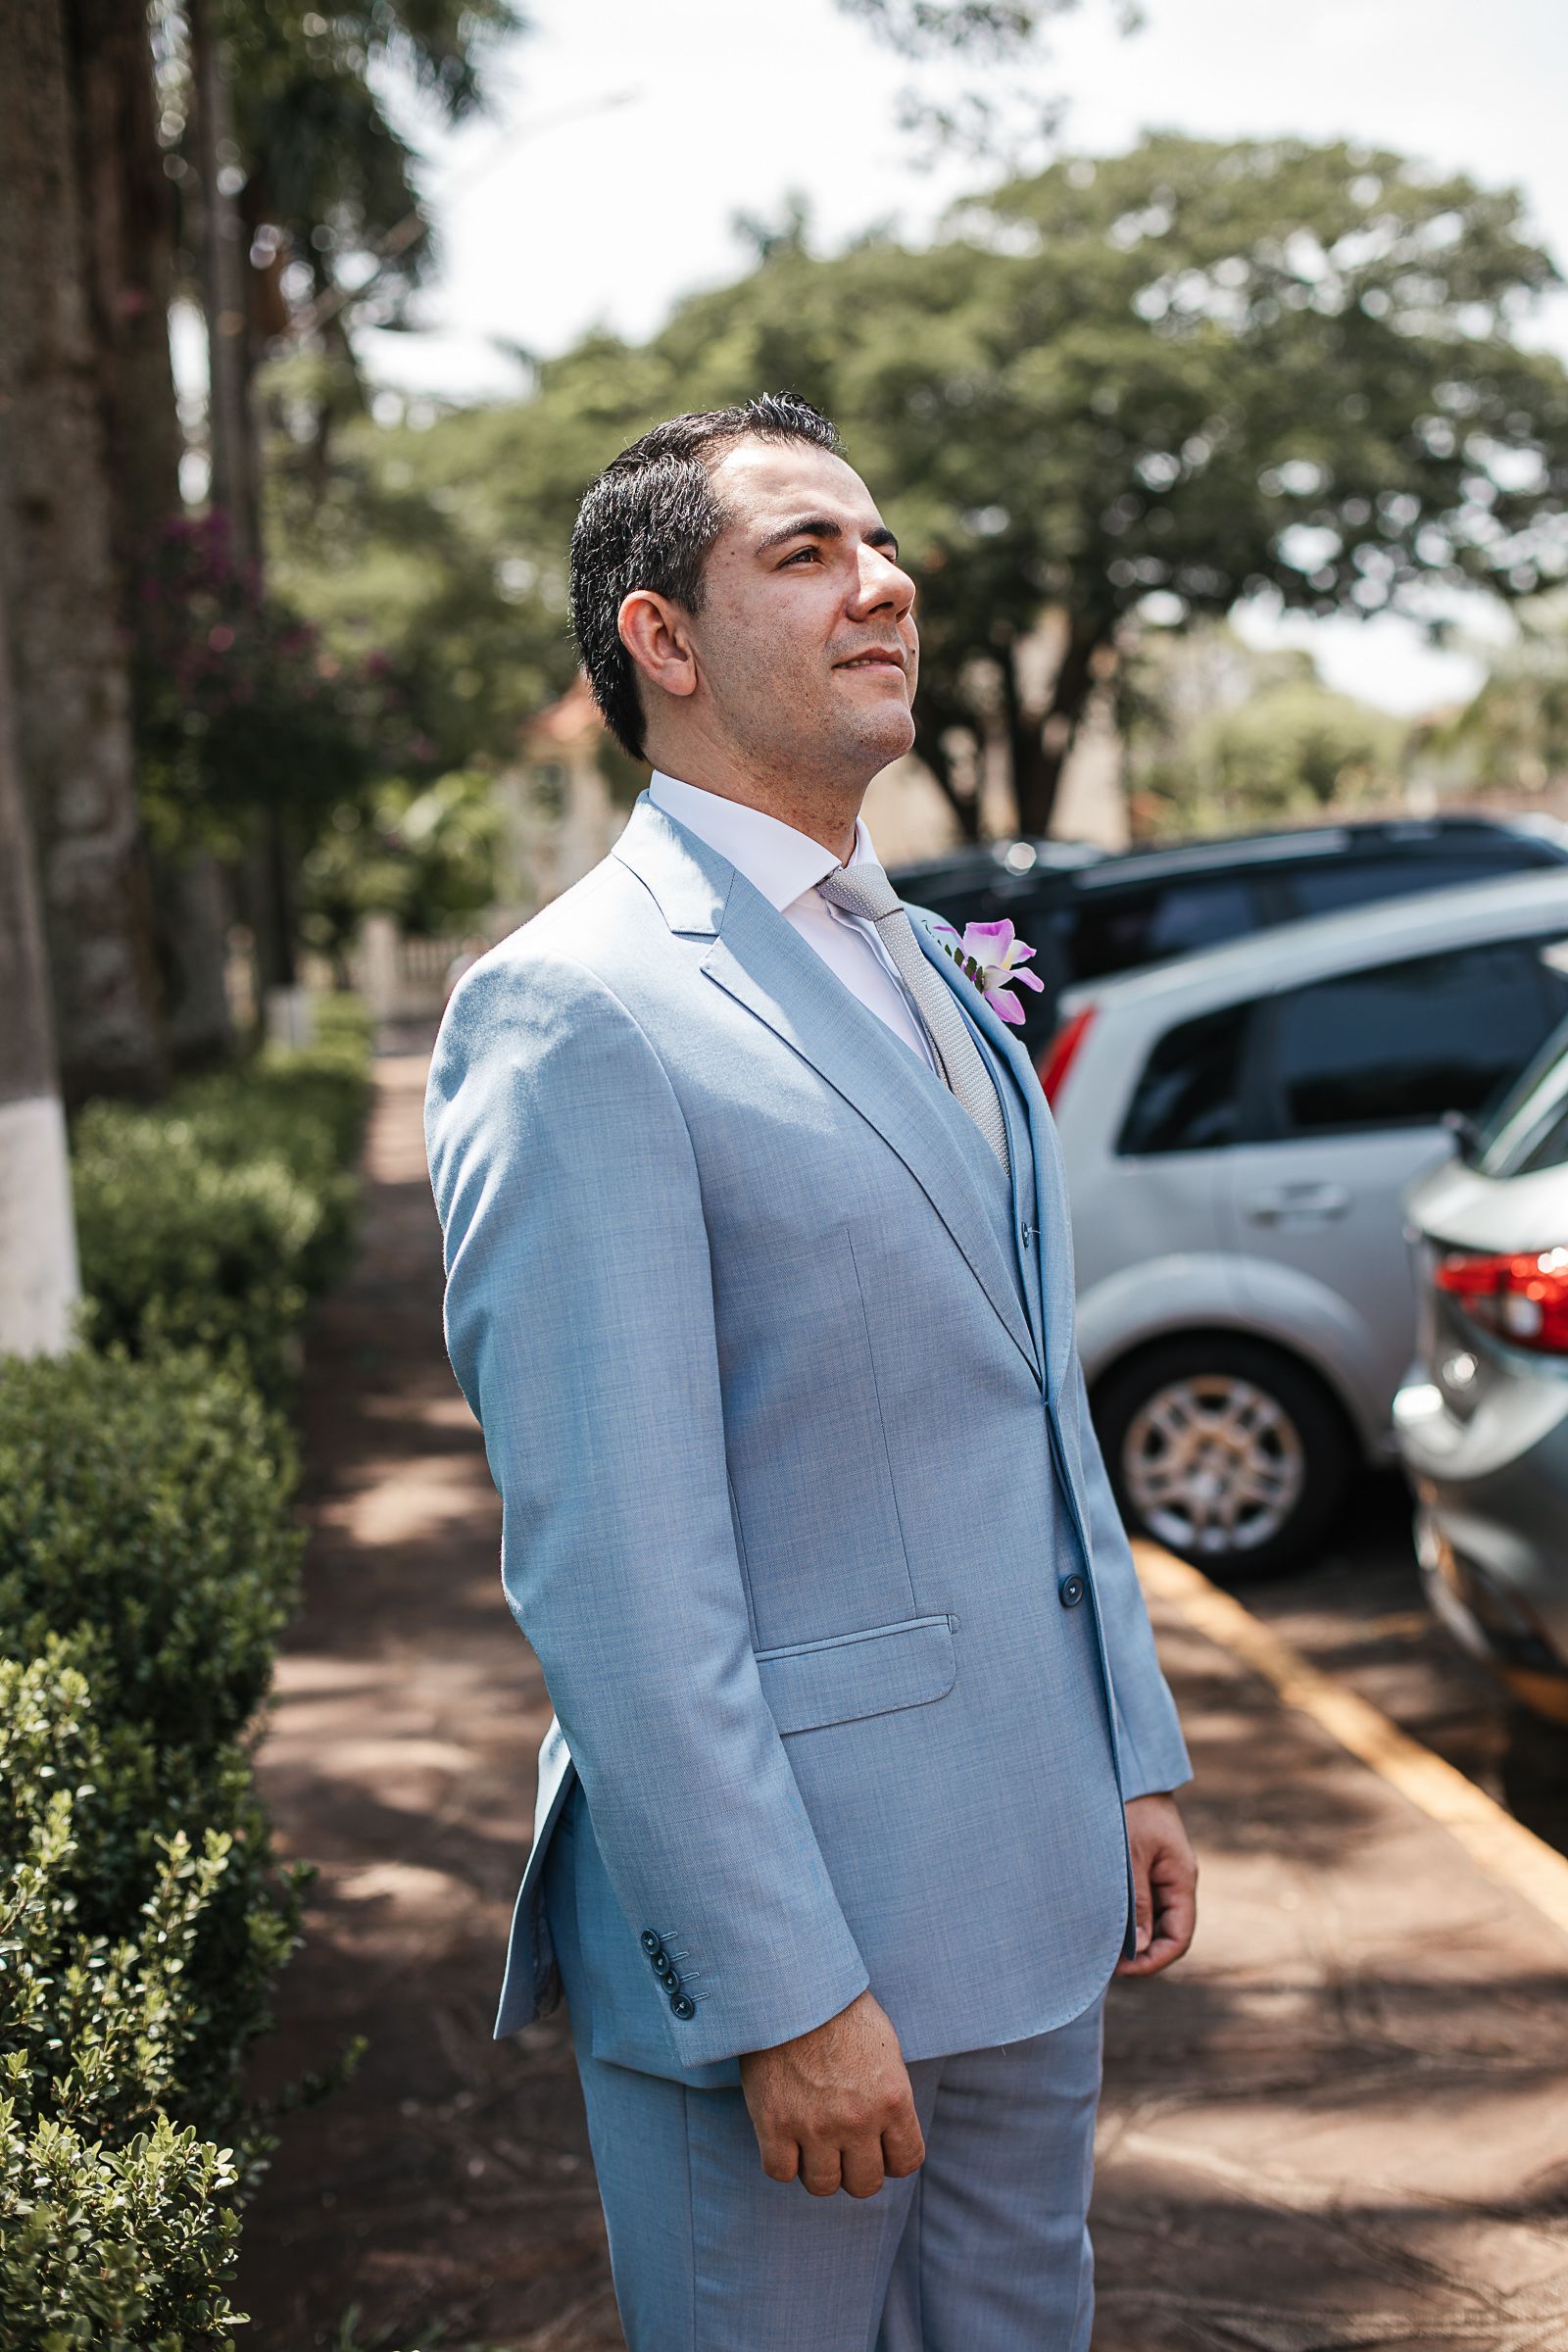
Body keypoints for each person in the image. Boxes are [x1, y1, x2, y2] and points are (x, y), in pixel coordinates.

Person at [424, 392, 1197, 2350]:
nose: (884, 582)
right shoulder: (572, 1006)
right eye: (806, 553)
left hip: (1030, 1874)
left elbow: (1022, 1406)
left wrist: (1128, 1749)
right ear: (657, 645)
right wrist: (779, 1989)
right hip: (804, 1951)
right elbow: (614, 1564)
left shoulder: (932, 957)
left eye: (877, 542)